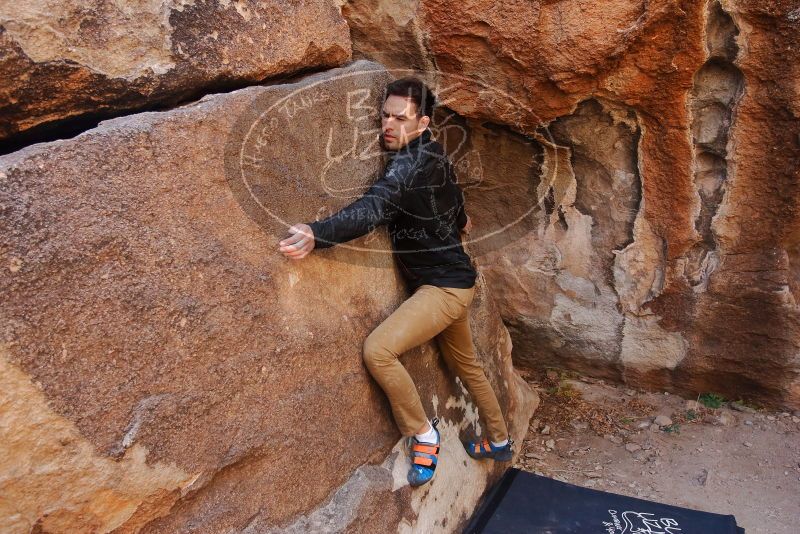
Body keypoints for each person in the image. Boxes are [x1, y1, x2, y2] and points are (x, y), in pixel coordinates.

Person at [278, 77, 512, 487]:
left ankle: (423, 434)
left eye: (399, 119)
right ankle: (499, 440)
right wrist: (458, 221)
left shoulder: (408, 166)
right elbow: (455, 198)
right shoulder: (434, 153)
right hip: (456, 282)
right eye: (384, 116)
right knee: (465, 363)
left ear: (422, 122)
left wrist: (319, 233)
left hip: (443, 291)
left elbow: (374, 208)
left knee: (379, 350)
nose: (388, 125)